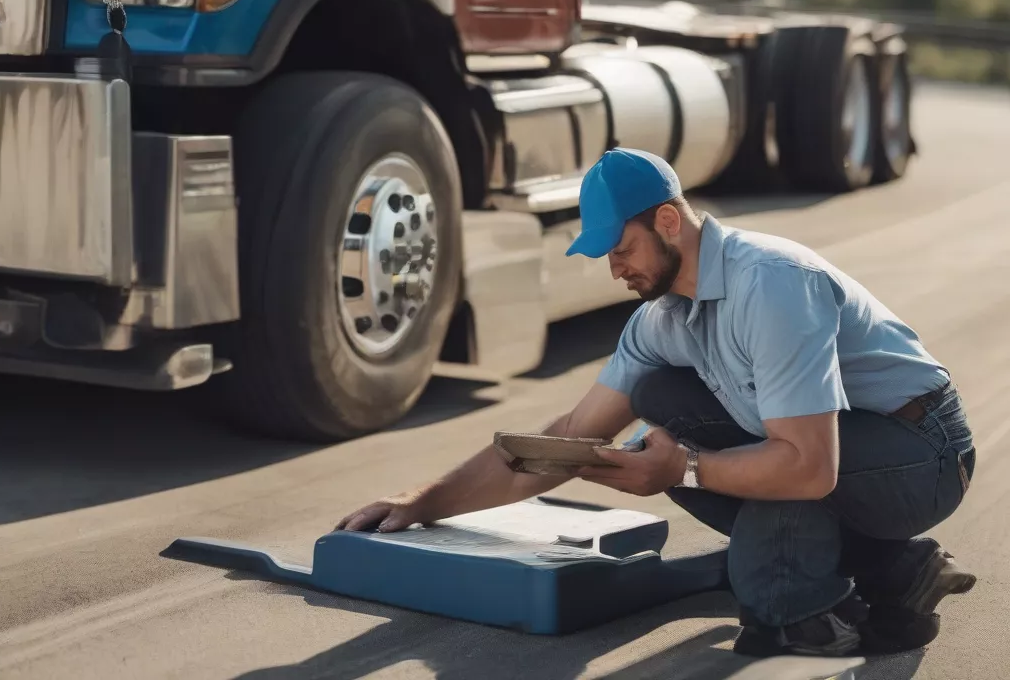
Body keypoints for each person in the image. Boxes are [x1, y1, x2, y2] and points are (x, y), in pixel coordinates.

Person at [336, 147, 977, 659]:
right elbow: (566, 438)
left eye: (622, 248)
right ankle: (898, 566)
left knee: (770, 602)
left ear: (668, 221)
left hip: (920, 451)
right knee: (657, 395)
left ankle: (823, 606)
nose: (614, 269)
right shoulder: (660, 320)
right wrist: (424, 503)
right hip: (815, 448)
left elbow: (810, 469)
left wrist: (685, 469)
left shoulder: (774, 286)